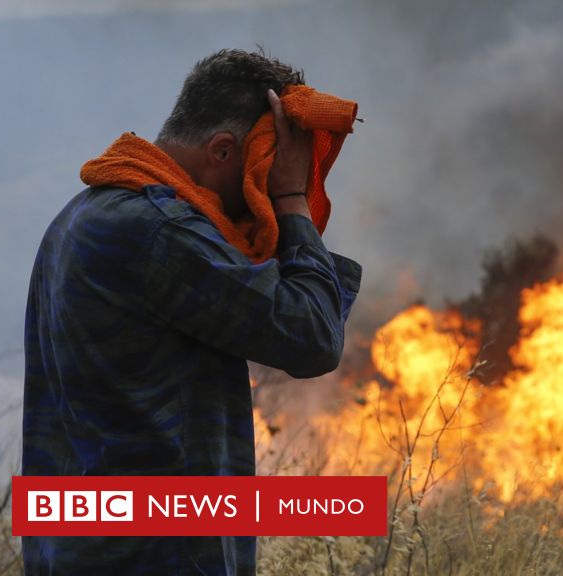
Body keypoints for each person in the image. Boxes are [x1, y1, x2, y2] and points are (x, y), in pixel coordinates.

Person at [21, 49, 362, 575]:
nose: (262, 197)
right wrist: (293, 198)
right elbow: (313, 336)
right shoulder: (159, 231)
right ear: (223, 151)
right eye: (264, 168)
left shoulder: (85, 213)